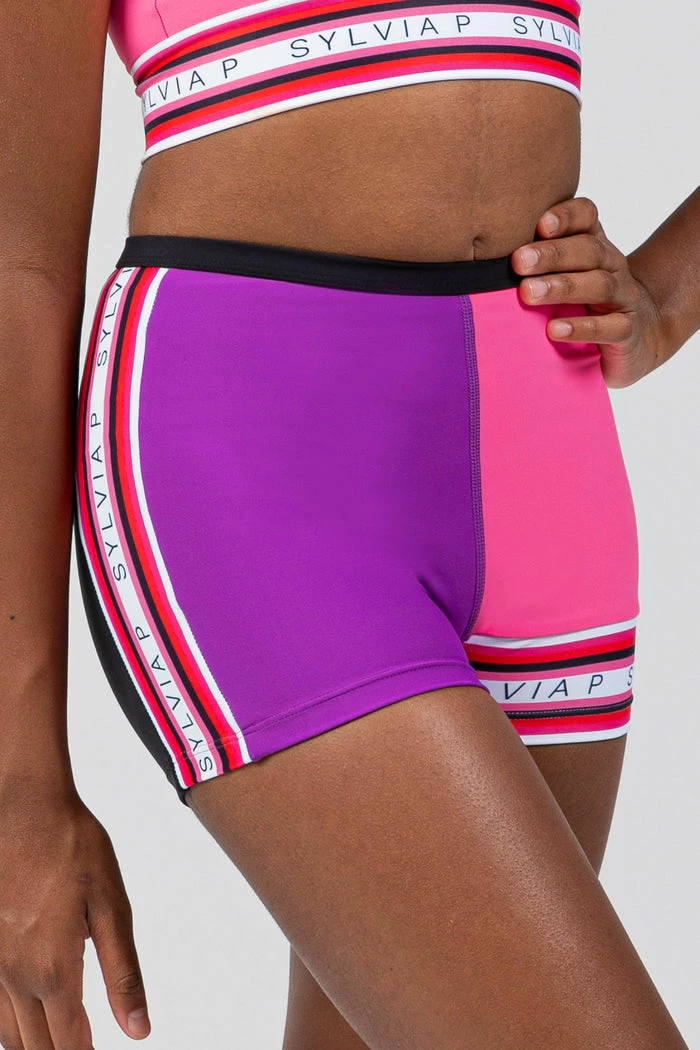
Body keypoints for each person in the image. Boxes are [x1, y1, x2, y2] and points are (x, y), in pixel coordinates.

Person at [0, 0, 697, 1044]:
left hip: (549, 448)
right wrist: (16, 782)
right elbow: (20, 263)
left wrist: (668, 298)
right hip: (253, 462)